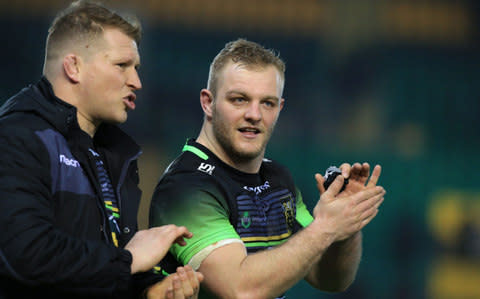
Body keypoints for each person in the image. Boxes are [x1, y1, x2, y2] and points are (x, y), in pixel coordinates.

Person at [149, 38, 386, 298]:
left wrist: (346, 226)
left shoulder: (277, 177)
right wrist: (326, 228)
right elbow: (239, 289)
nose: (254, 114)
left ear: (279, 108)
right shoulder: (186, 186)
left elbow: (329, 278)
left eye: (267, 103)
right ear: (208, 103)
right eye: (239, 100)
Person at [0, 1, 203, 298]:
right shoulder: (16, 137)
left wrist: (150, 291)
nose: (136, 82)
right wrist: (129, 260)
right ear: (74, 67)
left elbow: (103, 270)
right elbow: (26, 255)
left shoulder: (114, 155)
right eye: (122, 65)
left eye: (136, 68)